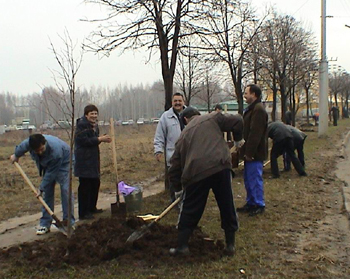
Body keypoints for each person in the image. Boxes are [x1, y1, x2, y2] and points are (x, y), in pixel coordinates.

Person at [168, 106, 245, 256]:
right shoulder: (213, 117)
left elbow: (174, 167)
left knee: (191, 208)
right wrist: (238, 139)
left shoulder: (183, 136)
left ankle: (182, 246)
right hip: (220, 166)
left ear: (185, 119)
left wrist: (178, 190)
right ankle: (230, 245)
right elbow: (237, 120)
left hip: (196, 173)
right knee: (226, 204)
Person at [10, 134, 75, 235]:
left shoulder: (55, 151)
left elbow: (51, 174)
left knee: (65, 189)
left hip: (64, 162)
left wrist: (41, 188)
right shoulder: (29, 143)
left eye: (41, 149)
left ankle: (68, 222)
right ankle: (45, 223)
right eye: (37, 151)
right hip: (47, 164)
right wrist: (16, 155)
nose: (39, 152)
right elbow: (21, 147)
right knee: (47, 192)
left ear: (44, 143)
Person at [74, 104, 111, 220]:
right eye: (92, 114)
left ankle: (92, 208)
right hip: (84, 160)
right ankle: (83, 213)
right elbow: (83, 141)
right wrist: (99, 139)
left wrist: (101, 139)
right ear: (86, 115)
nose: (94, 116)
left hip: (93, 159)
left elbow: (93, 141)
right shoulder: (82, 126)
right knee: (85, 186)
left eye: (95, 114)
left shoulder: (94, 126)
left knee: (95, 183)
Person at [237, 84, 268, 216]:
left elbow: (255, 134)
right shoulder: (252, 109)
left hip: (255, 153)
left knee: (255, 179)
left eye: (246, 93)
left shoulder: (258, 110)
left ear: (254, 94)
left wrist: (249, 153)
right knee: (248, 179)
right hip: (249, 153)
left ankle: (258, 204)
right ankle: (250, 202)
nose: (244, 96)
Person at [154, 92, 185, 202]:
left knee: (187, 180)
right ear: (172, 102)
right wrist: (158, 150)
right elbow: (159, 136)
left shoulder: (189, 114)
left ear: (183, 102)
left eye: (179, 101)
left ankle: (187, 202)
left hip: (188, 155)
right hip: (173, 156)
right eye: (175, 101)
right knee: (174, 181)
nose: (177, 103)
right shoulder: (165, 117)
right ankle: (175, 203)